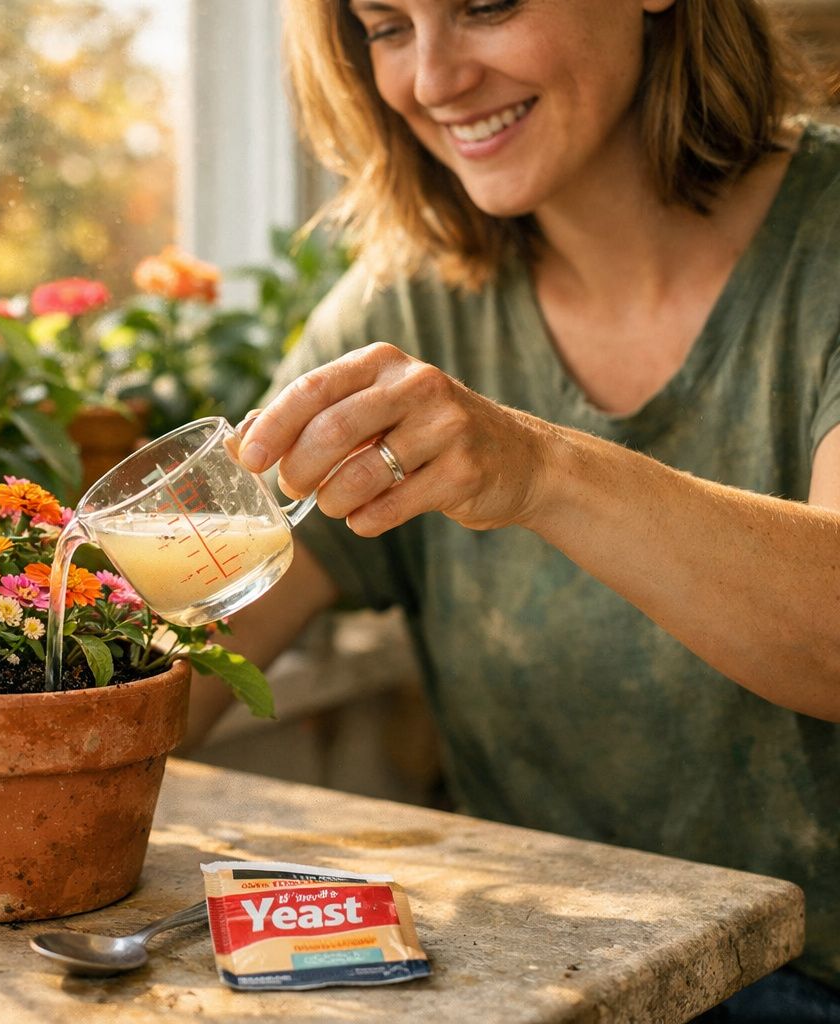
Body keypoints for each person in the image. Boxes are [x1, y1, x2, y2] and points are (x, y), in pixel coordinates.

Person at [184, 0, 840, 1018]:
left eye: (485, 5)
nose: (433, 81)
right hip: (555, 984)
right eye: (387, 26)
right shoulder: (403, 308)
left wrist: (540, 470)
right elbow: (191, 654)